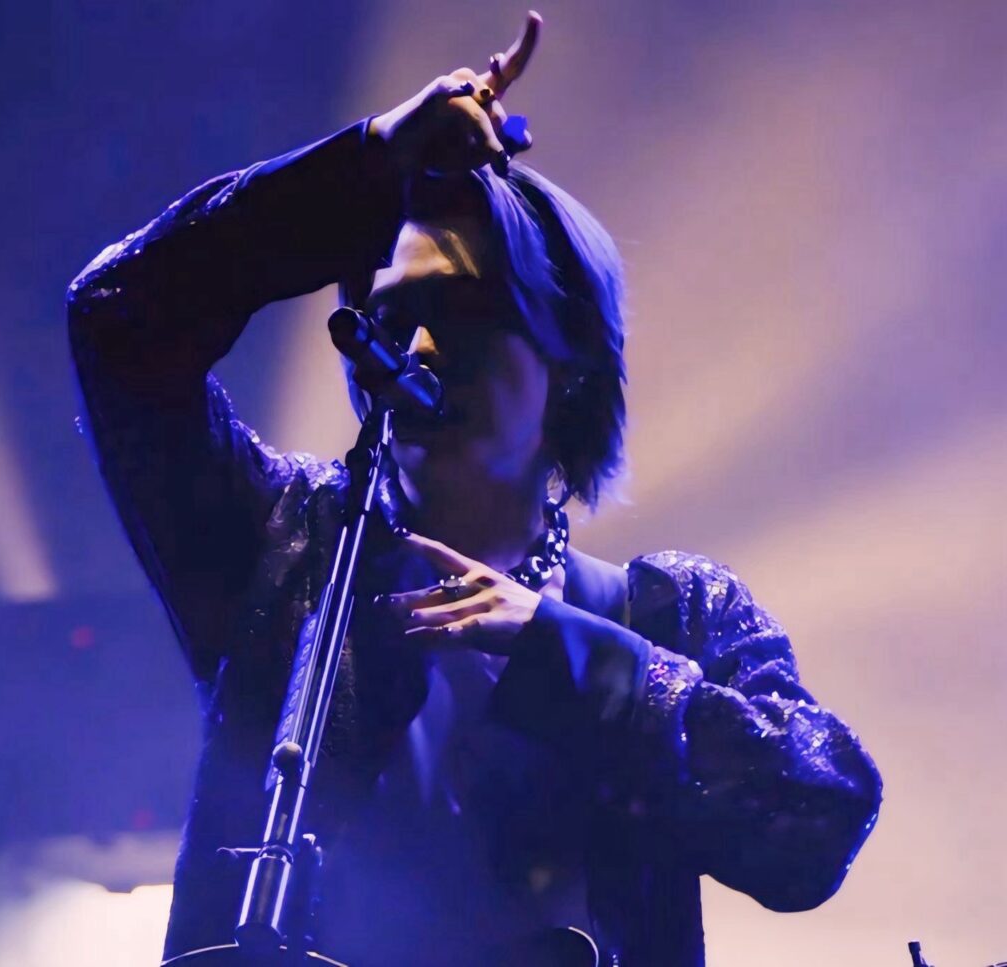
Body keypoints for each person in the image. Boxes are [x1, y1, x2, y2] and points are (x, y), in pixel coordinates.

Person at [67, 13, 882, 967]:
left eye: (461, 315)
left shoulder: (671, 611)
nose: (415, 350)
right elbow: (119, 320)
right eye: (390, 318)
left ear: (568, 365)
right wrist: (371, 158)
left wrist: (562, 653)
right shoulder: (280, 550)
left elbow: (819, 818)